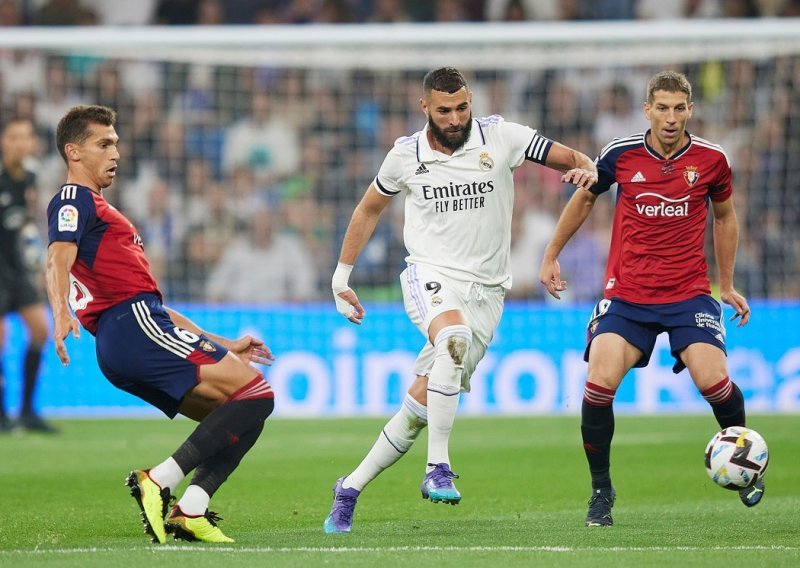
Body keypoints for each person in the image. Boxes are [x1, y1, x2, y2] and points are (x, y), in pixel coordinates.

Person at [323, 67, 598, 533]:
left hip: (488, 292)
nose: (455, 118)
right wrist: (341, 276)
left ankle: (349, 488)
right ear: (425, 108)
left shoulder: (503, 137)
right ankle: (438, 468)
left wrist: (585, 167)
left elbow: (569, 155)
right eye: (445, 110)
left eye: (462, 107)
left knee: (418, 409)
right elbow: (369, 208)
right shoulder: (405, 155)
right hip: (429, 274)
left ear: (472, 102)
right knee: (452, 334)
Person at [538, 70, 759, 528]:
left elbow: (725, 218)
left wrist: (729, 283)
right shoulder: (620, 154)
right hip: (629, 296)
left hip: (688, 294)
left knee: (713, 380)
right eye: (662, 107)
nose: (671, 117)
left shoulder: (712, 160)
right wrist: (551, 254)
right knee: (599, 381)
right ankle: (601, 491)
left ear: (690, 110)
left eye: (679, 108)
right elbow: (583, 199)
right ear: (647, 109)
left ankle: (745, 463)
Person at [45, 105, 275, 544]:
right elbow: (57, 256)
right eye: (104, 143)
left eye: (116, 142)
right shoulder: (74, 199)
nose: (116, 151)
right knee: (256, 392)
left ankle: (191, 510)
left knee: (242, 414)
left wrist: (224, 342)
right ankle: (160, 480)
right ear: (73, 152)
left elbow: (155, 308)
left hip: (131, 331)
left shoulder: (101, 212)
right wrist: (59, 310)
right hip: (130, 326)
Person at [0, 117, 54, 433]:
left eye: (27, 137)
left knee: (40, 330)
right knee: (2, 339)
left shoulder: (30, 178)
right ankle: (2, 414)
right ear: (5, 142)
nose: (21, 143)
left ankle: (27, 411)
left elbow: (27, 221)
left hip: (17, 267)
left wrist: (34, 253)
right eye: (14, 136)